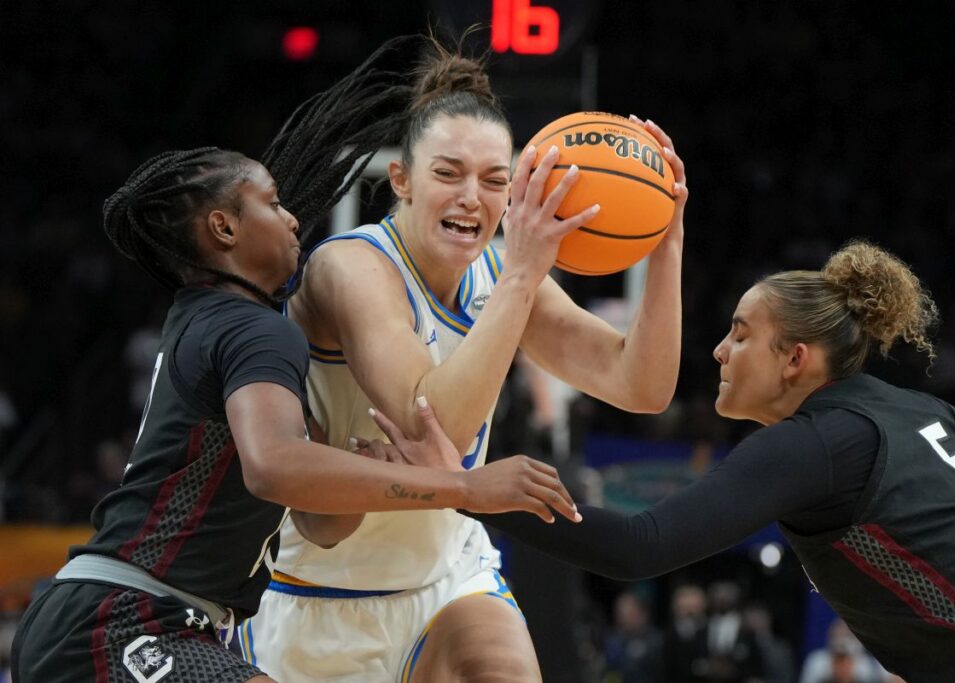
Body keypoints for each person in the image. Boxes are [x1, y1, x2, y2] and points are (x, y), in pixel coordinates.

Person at [8, 39, 579, 683]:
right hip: (121, 621)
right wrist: (464, 487)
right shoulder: (257, 332)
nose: (292, 220)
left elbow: (314, 515)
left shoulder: (209, 319)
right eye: (274, 204)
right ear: (224, 229)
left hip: (152, 620)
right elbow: (276, 468)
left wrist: (364, 483)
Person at [241, 35, 688, 683]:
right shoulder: (351, 268)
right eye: (447, 173)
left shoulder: (504, 271)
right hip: (321, 596)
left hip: (449, 577)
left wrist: (663, 242)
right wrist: (523, 276)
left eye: (494, 180)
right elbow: (437, 424)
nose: (472, 198)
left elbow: (641, 384)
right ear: (402, 179)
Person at [469, 241, 955, 683]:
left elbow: (639, 545)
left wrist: (472, 492)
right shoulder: (918, 406)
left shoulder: (812, 443)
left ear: (795, 360)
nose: (719, 350)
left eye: (741, 334)